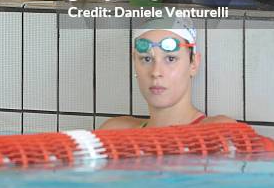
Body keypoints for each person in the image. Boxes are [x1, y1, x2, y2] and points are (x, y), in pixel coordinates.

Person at [100, 17, 235, 129]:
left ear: (193, 64)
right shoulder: (114, 132)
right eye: (146, 59)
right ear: (134, 63)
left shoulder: (219, 133)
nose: (156, 72)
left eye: (171, 59)